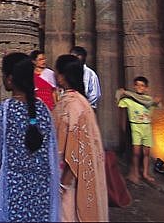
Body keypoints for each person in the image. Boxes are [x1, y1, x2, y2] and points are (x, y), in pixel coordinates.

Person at [0, 53, 60, 222]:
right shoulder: (44, 111)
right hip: (42, 194)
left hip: (13, 193)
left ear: (10, 79)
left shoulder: (3, 112)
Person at [52, 54, 109, 222]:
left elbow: (74, 152)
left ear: (62, 76)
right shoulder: (80, 101)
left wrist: (62, 184)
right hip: (73, 174)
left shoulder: (72, 105)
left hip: (69, 179)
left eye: (57, 72)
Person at [116, 77, 161, 184]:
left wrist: (158, 100)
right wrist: (121, 92)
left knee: (146, 153)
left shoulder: (149, 99)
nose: (140, 87)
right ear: (134, 86)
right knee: (136, 152)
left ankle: (145, 173)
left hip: (147, 128)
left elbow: (158, 103)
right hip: (136, 128)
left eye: (142, 85)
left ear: (146, 88)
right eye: (137, 85)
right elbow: (118, 100)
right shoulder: (129, 100)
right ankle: (135, 173)